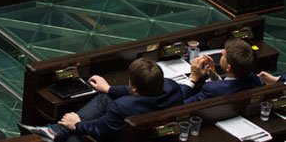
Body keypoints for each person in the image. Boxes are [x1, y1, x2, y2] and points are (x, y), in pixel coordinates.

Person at [19, 57, 182, 142]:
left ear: (135, 87)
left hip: (121, 137)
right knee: (106, 96)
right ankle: (55, 130)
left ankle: (56, 131)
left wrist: (76, 124)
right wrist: (109, 88)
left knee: (73, 136)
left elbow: (100, 130)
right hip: (149, 131)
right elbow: (134, 92)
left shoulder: (123, 106)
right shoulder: (172, 87)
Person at [180, 38, 260, 103]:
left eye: (224, 55)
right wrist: (214, 76)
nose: (222, 52)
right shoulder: (254, 78)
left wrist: (193, 77)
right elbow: (227, 86)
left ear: (228, 67)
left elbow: (178, 103)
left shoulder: (211, 89)